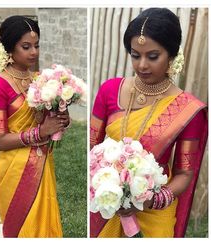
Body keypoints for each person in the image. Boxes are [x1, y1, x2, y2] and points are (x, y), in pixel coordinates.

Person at [90, 8, 208, 238]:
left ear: (172, 55)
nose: (142, 65)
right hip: (107, 202)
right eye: (135, 55)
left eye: (152, 56)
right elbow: (91, 147)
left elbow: (184, 173)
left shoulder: (187, 109)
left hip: (154, 211)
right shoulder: (110, 90)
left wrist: (150, 200)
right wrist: (108, 187)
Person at [0, 15, 70, 238]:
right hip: (14, 170)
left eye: (36, 45)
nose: (34, 52)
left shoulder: (41, 80)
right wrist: (40, 132)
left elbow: (52, 121)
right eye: (26, 46)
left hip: (43, 164)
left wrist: (61, 115)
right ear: (10, 49)